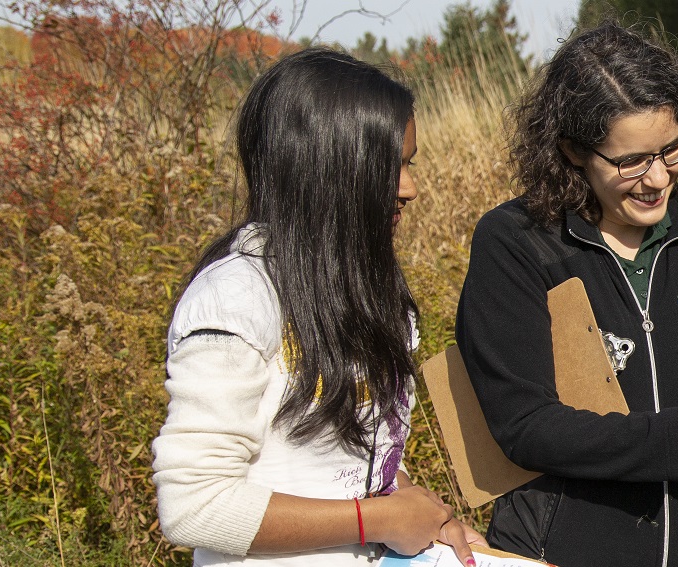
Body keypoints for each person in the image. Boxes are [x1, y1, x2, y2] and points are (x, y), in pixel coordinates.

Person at [453, 21, 678, 567]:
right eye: (631, 161)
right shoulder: (515, 243)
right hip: (562, 550)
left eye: (672, 149)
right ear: (573, 151)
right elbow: (523, 426)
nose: (658, 179)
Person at [152, 48, 482, 566]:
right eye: (389, 167)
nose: (410, 189)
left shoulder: (369, 291)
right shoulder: (237, 301)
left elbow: (352, 463)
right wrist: (378, 519)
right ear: (328, 170)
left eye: (409, 164)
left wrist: (426, 522)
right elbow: (193, 504)